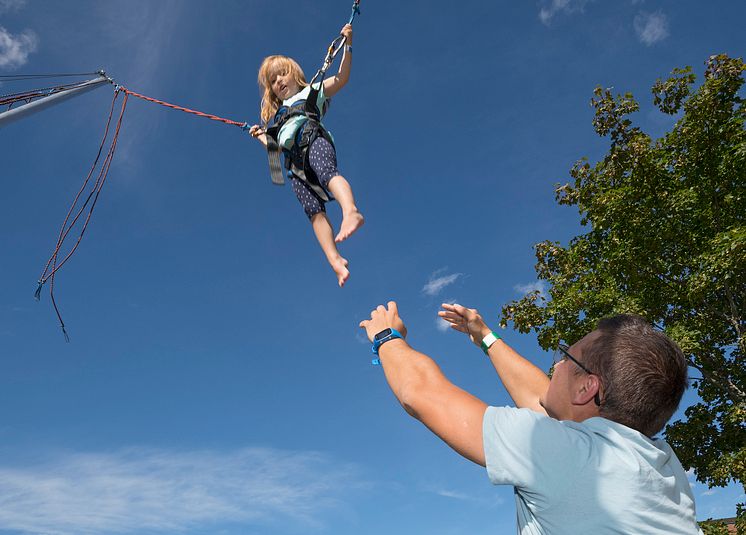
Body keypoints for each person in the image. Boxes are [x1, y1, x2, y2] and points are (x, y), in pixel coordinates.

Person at [359, 301, 702, 534]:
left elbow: (421, 393)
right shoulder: (662, 466)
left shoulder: (570, 458)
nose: (555, 365)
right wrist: (485, 337)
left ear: (587, 387)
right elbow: (549, 404)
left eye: (566, 357)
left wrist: (386, 337)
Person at [248, 24, 364, 288]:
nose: (278, 82)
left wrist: (348, 44)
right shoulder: (276, 120)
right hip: (295, 166)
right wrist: (261, 137)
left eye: (282, 74)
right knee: (313, 212)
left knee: (328, 175)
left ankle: (351, 211)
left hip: (313, 141)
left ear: (294, 73)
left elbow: (342, 78)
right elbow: (274, 150)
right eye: (273, 81)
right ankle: (335, 260)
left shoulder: (310, 91)